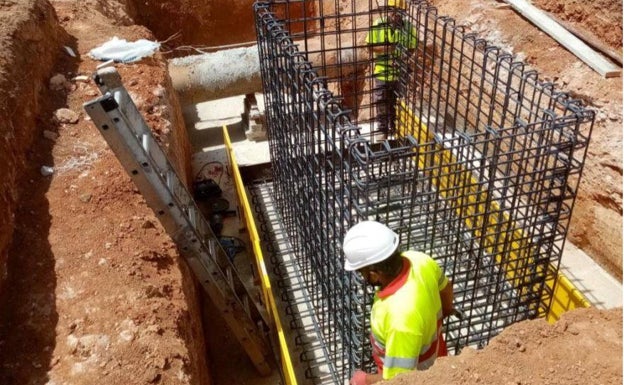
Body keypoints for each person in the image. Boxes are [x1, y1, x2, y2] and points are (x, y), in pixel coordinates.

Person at [343, 220, 454, 384]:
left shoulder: (399, 318)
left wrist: (364, 380)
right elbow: (446, 290)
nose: (362, 276)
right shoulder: (419, 259)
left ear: (374, 274)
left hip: (425, 376)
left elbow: (399, 380)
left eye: (362, 272)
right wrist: (439, 314)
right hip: (440, 357)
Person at [365, 0, 418, 141]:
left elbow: (412, 46)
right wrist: (388, 49)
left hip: (399, 73)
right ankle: (382, 129)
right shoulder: (378, 25)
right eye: (392, 10)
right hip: (382, 71)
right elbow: (369, 47)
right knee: (381, 101)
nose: (395, 14)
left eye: (398, 12)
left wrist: (404, 56)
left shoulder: (408, 28)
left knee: (397, 101)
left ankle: (395, 128)